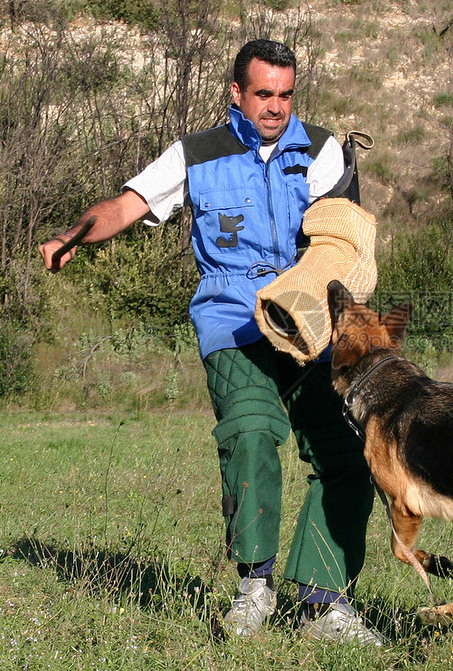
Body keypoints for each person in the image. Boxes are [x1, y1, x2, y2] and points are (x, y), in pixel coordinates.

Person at [39, 39, 382, 645]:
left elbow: (341, 238)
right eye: (263, 94)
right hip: (231, 319)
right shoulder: (196, 155)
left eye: (286, 94)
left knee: (347, 451)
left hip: (308, 322)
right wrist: (72, 235)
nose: (276, 107)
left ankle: (325, 607)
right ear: (236, 93)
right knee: (250, 431)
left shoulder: (325, 151)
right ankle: (255, 589)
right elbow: (128, 204)